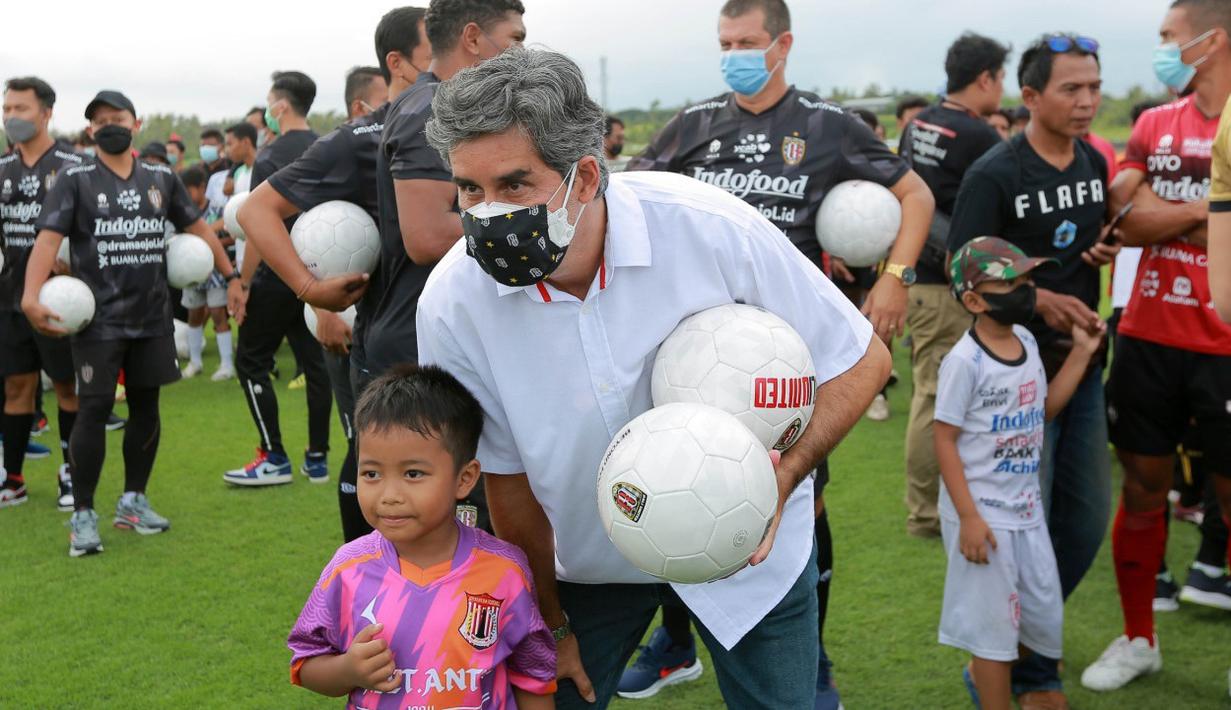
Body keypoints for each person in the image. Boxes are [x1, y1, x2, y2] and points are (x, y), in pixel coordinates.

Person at [419, 46, 891, 710]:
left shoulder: (707, 227)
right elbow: (507, 480)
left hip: (748, 552)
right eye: (470, 189)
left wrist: (782, 475)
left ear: (584, 178)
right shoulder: (452, 301)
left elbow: (862, 359)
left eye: (514, 185)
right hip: (587, 566)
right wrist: (549, 625)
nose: (488, 212)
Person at [625, 2, 933, 703]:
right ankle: (675, 644)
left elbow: (912, 194)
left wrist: (893, 279)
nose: (734, 53)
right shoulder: (695, 125)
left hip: (785, 363)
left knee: (800, 504)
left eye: (747, 42)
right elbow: (631, 196)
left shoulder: (827, 127)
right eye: (724, 43)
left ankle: (808, 660)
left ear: (782, 44)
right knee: (679, 485)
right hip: (692, 353)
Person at [947, 34, 1118, 709]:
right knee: (1024, 535)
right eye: (1071, 89)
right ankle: (1021, 671)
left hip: (1080, 370)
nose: (1086, 102)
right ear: (1029, 97)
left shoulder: (1093, 161)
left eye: (1093, 87)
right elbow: (963, 266)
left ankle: (1018, 648)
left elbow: (1072, 242)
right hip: (1012, 387)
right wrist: (1038, 298)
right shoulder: (996, 172)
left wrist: (1098, 247)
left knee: (1081, 524)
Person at [1083, 0, 1231, 692]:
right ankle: (1138, 637)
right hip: (1145, 335)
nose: (1161, 49)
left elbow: (1146, 219)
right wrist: (1207, 212)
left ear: (1212, 41)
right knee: (1142, 492)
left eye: (1169, 38)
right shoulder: (1151, 122)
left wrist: (1159, 219)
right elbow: (1119, 219)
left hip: (1223, 341)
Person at [21, 89, 241, 557]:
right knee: (94, 411)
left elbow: (199, 230)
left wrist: (233, 277)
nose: (108, 125)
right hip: (96, 322)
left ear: (136, 123)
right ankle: (83, 514)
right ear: (90, 131)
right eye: (99, 120)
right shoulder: (75, 179)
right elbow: (47, 241)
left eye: (116, 117)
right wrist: (30, 296)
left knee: (146, 409)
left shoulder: (162, 176)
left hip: (152, 319)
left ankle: (132, 502)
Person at [240, 5, 430, 540]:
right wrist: (312, 294)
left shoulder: (466, 123)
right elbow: (257, 212)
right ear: (399, 62)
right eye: (430, 51)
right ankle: (361, 573)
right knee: (377, 462)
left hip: (458, 333)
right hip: (384, 338)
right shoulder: (358, 137)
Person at [286, 364, 557, 708]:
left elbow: (533, 677)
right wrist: (348, 669)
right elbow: (305, 663)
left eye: (413, 473)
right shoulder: (347, 570)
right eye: (371, 473)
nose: (389, 494)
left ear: (464, 478)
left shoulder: (505, 571)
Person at [935, 237, 1103, 710]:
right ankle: (991, 689)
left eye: (1028, 280)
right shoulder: (963, 363)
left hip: (1026, 511)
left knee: (1040, 620)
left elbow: (1042, 411)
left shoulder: (1028, 341)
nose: (1025, 291)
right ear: (972, 300)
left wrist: (1082, 352)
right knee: (994, 633)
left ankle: (980, 673)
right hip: (984, 514)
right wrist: (968, 517)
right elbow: (943, 439)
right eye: (1010, 283)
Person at [898, 32, 1009, 539]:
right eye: (1002, 77)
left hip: (915, 276)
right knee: (939, 400)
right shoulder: (980, 135)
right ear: (984, 77)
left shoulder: (917, 123)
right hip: (951, 285)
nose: (1002, 88)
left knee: (929, 394)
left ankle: (930, 504)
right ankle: (925, 514)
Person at [224, 71, 332, 487]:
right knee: (315, 364)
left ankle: (274, 456)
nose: (266, 109)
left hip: (275, 277)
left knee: (250, 362)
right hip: (319, 275)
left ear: (281, 106)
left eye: (269, 101)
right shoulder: (328, 145)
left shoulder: (270, 155)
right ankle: (318, 458)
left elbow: (258, 226)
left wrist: (243, 282)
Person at [0, 76, 81, 510]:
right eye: (7, 108)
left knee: (67, 387)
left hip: (60, 299)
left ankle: (71, 472)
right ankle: (12, 478)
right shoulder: (2, 170)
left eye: (21, 109)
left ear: (47, 112)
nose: (11, 117)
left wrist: (75, 262)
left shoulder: (74, 164)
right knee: (17, 387)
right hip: (9, 299)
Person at [178, 163, 235, 381]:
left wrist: (211, 238)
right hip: (191, 272)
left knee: (219, 314)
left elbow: (232, 235)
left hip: (216, 272)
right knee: (194, 315)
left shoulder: (218, 210)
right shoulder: (184, 214)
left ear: (202, 188)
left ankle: (227, 364)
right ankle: (195, 362)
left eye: (189, 189)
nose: (186, 195)